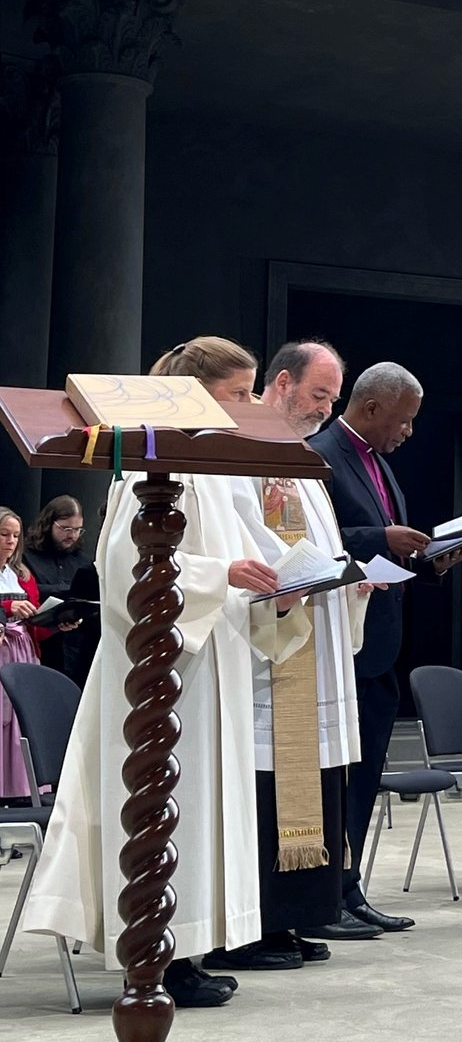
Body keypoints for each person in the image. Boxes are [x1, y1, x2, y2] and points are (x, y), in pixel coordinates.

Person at [22, 336, 288, 1008]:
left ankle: (186, 944)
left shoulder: (213, 465)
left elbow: (240, 555)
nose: (248, 406)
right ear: (197, 393)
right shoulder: (153, 457)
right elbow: (120, 568)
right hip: (166, 665)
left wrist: (277, 582)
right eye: (238, 394)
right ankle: (157, 950)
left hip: (206, 655)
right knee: (173, 801)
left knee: (198, 806)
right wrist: (218, 574)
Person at [208, 342, 375, 963]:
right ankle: (256, 925)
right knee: (266, 787)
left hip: (313, 642)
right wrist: (297, 576)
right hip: (268, 652)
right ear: (280, 383)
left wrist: (352, 576)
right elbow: (245, 546)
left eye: (333, 399)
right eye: (318, 396)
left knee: (314, 781)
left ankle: (296, 917)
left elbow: (320, 545)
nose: (327, 411)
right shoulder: (240, 457)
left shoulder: (296, 459)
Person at [307, 356, 462, 932]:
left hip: (379, 640)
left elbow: (384, 547)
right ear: (371, 407)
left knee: (366, 773)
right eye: (402, 420)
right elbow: (314, 538)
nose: (408, 432)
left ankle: (350, 890)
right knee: (339, 776)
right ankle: (323, 893)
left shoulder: (375, 461)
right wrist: (383, 536)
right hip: (337, 642)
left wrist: (429, 560)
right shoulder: (322, 454)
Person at [0, 507, 59, 803]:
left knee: (21, 715)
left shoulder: (18, 574)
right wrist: (7, 609)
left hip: (21, 650)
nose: (10, 541)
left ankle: (20, 788)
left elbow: (33, 621)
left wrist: (56, 621)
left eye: (15, 536)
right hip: (2, 649)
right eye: (4, 534)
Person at [21, 495, 96, 687]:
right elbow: (25, 591)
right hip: (40, 643)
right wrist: (66, 591)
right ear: (48, 524)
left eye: (78, 530)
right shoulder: (26, 556)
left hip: (75, 647)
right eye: (66, 529)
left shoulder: (83, 561)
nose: (72, 535)